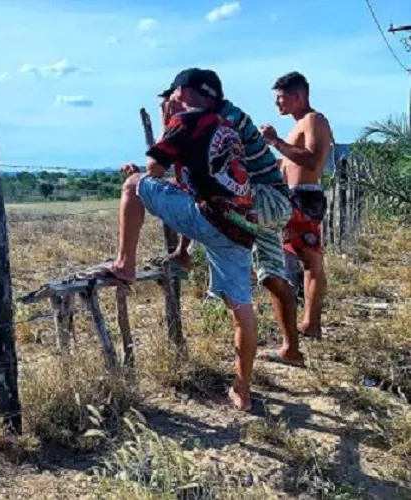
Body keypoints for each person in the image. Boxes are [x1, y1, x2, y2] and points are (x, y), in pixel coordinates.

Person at [87, 68, 260, 411]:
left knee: (133, 184)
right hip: (242, 226)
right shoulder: (226, 128)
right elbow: (195, 186)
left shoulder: (188, 121)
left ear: (183, 92)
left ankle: (125, 264)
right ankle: (242, 389)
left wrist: (165, 132)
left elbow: (153, 171)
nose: (170, 101)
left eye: (173, 95)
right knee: (241, 307)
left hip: (211, 219)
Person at [158, 69, 305, 367]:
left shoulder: (216, 121)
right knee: (273, 275)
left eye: (178, 99)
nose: (176, 106)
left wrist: (170, 126)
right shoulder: (227, 114)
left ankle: (236, 313)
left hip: (259, 199)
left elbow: (189, 178)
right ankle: (291, 349)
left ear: (195, 95)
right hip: (272, 203)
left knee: (203, 215)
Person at [260, 71, 333, 340]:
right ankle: (302, 320)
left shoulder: (313, 120)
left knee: (311, 263)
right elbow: (291, 163)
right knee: (299, 261)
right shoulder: (299, 124)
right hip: (294, 197)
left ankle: (310, 324)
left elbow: (312, 161)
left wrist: (277, 142)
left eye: (281, 98)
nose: (277, 104)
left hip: (304, 197)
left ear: (298, 96)